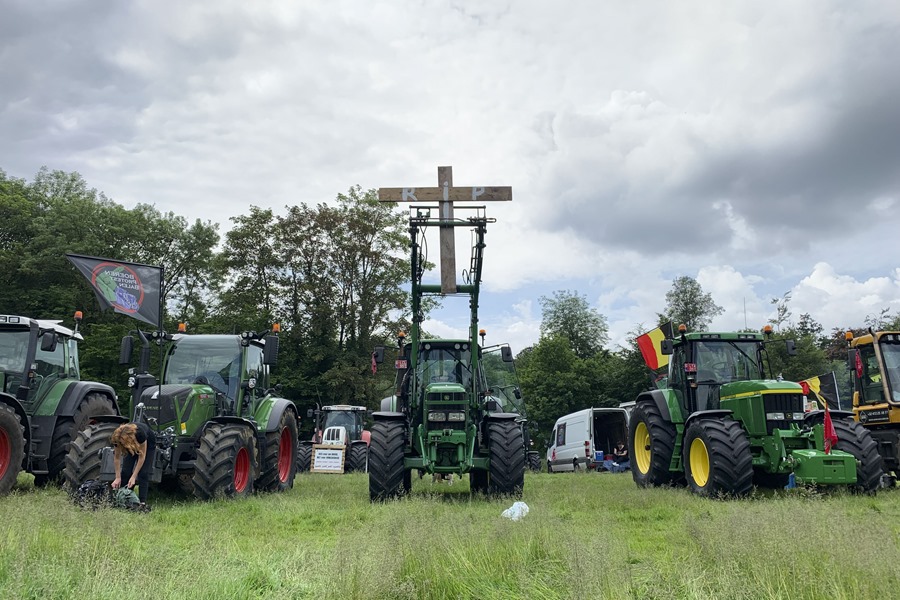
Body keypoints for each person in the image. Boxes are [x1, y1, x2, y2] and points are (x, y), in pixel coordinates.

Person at [110, 422, 156, 509]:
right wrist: (117, 477)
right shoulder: (117, 438)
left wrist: (133, 477)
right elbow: (117, 458)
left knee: (143, 473)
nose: (122, 445)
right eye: (121, 444)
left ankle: (142, 503)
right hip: (130, 444)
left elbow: (141, 457)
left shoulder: (140, 434)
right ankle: (123, 499)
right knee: (125, 472)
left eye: (123, 443)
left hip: (148, 444)